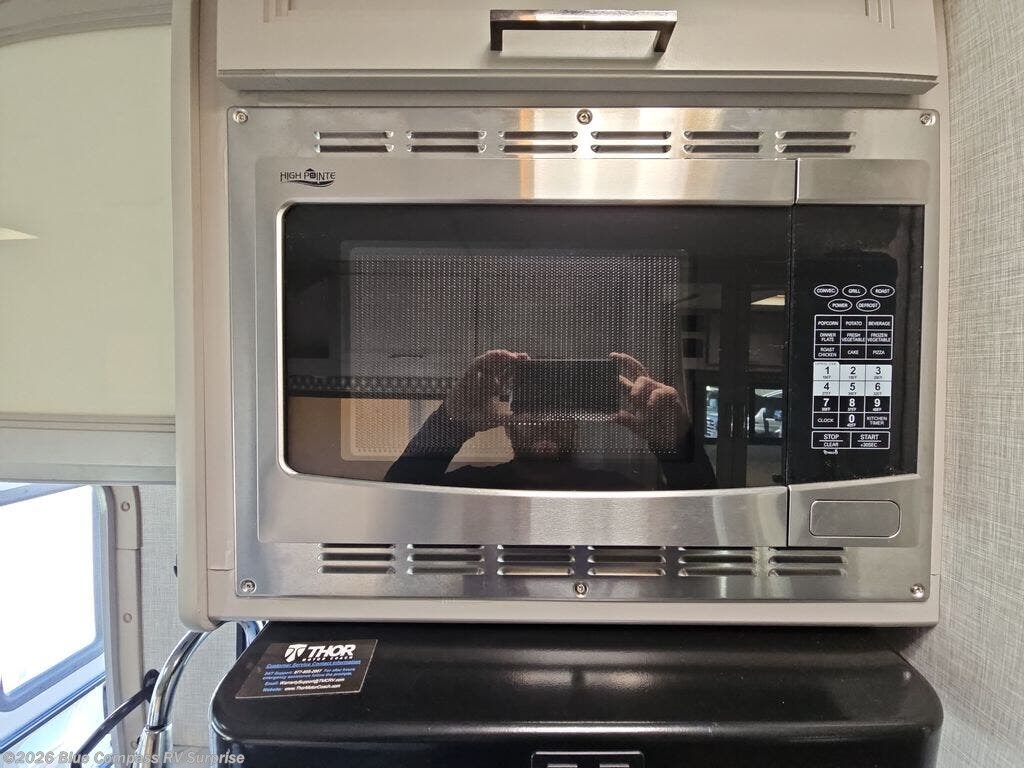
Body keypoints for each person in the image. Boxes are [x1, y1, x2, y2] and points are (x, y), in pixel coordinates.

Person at [384, 349, 716, 490]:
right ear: (508, 421)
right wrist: (450, 424)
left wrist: (674, 443)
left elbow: (697, 526)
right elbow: (397, 505)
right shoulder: (472, 489)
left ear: (578, 419)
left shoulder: (615, 491)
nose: (545, 421)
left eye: (557, 407)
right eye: (533, 406)